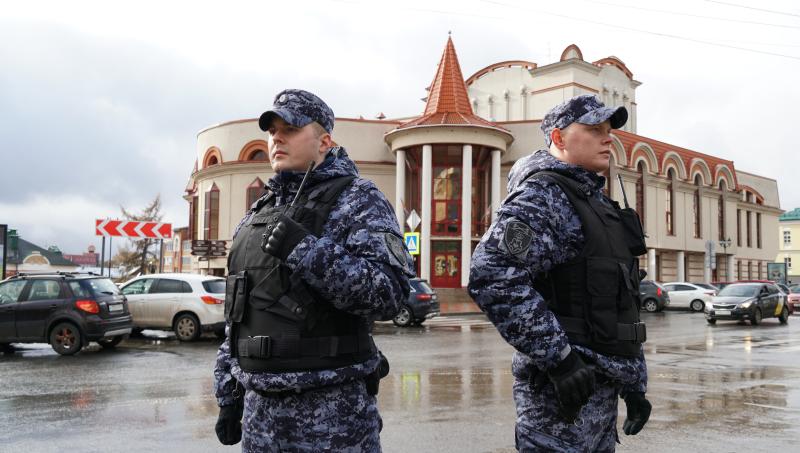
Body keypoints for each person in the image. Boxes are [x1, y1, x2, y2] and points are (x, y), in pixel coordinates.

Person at [213, 89, 413, 451]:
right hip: (261, 416)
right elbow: (238, 313)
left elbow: (390, 293)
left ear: (325, 141)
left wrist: (304, 250)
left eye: (289, 128)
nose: (276, 138)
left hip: (333, 414)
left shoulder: (358, 199)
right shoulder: (257, 213)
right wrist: (228, 395)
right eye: (272, 130)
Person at [468, 94, 651, 452]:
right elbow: (491, 274)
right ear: (558, 138)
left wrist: (634, 383)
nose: (607, 137)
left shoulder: (597, 203)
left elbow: (620, 301)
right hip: (560, 396)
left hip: (601, 392)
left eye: (609, 129)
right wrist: (560, 359)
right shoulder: (543, 197)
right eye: (594, 129)